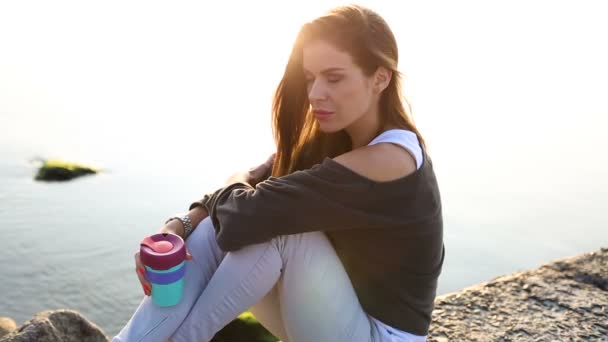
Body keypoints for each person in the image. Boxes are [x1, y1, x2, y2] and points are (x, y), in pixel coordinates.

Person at [113, 4, 444, 342]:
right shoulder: (339, 141)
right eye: (311, 78)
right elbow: (247, 195)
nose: (315, 94)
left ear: (380, 78)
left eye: (334, 78)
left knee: (281, 230)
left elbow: (247, 209)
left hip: (379, 336)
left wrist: (233, 183)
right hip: (332, 317)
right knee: (216, 230)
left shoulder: (388, 159)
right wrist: (182, 224)